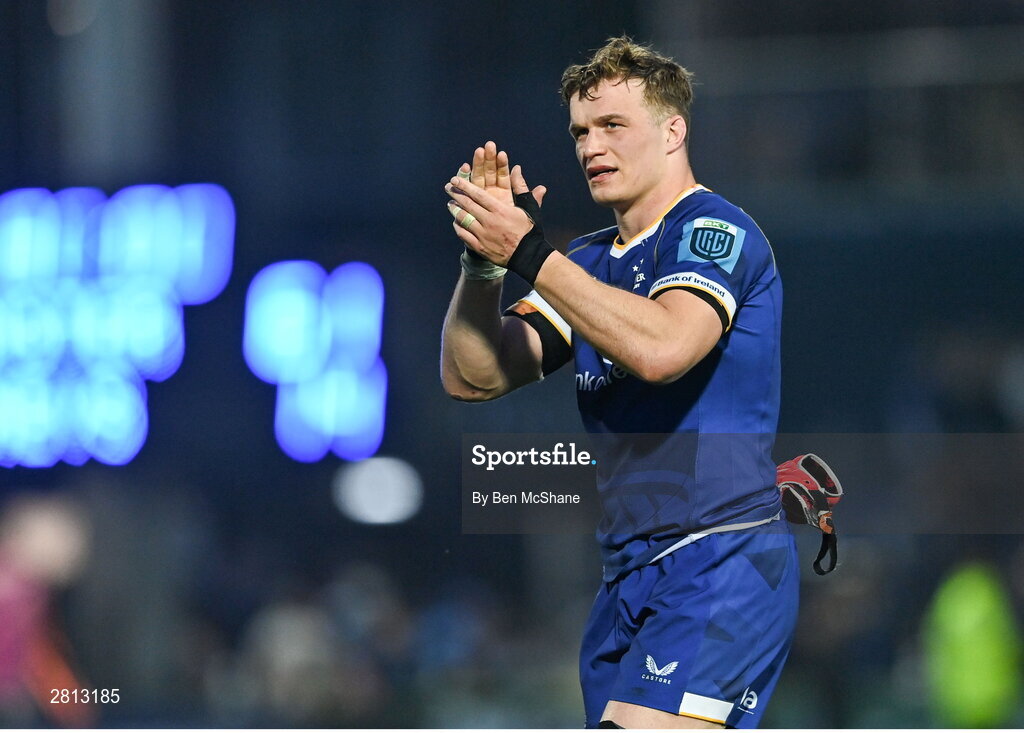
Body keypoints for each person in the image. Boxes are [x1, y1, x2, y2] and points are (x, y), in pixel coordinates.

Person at [441, 37, 797, 729]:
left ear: (673, 131)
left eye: (612, 126)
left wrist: (526, 251)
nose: (590, 146)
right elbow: (472, 375)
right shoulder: (588, 263)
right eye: (580, 130)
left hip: (720, 558)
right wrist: (483, 268)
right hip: (628, 579)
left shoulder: (714, 230)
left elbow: (664, 347)